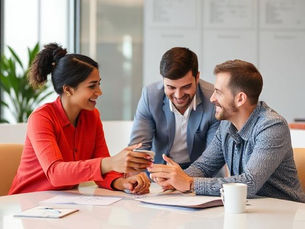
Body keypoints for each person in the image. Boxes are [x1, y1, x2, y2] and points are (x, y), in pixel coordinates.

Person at [148, 59, 305, 202]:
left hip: (283, 213)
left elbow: (249, 183)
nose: (212, 98)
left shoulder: (272, 126)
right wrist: (173, 178)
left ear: (240, 99)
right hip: (248, 209)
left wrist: (189, 183)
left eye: (219, 92)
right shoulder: (226, 125)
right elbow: (204, 167)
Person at [9, 43, 151, 195]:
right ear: (68, 89)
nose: (99, 92)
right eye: (92, 86)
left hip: (63, 204)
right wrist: (109, 163)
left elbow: (101, 168)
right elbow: (55, 173)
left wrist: (122, 183)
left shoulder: (92, 116)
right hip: (26, 204)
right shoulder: (41, 118)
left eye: (99, 84)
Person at [129, 47, 219, 170]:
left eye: (186, 87)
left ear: (197, 77)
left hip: (201, 174)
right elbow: (139, 149)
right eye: (171, 87)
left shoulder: (213, 99)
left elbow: (213, 157)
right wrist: (136, 179)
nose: (179, 95)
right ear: (163, 80)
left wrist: (182, 179)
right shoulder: (150, 96)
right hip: (157, 172)